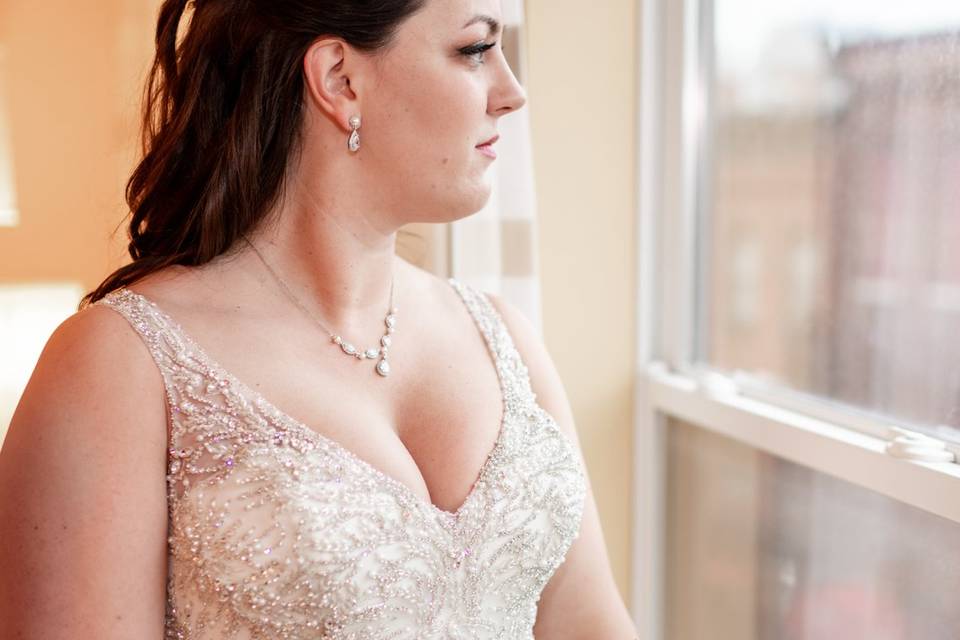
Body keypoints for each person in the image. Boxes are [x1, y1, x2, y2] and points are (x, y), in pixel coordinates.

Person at [0, 0, 637, 636]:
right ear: (339, 79)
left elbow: (590, 623)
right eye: (474, 50)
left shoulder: (505, 339)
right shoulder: (120, 364)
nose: (511, 92)